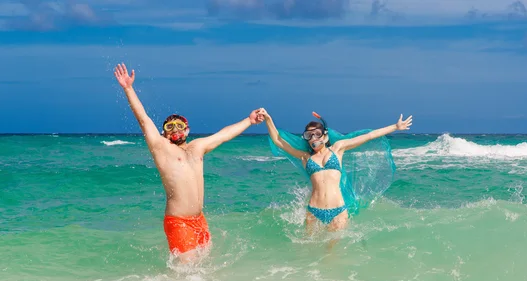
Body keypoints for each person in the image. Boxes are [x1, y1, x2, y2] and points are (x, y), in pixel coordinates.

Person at [113, 63, 264, 262]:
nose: (175, 129)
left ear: (187, 130)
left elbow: (223, 135)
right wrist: (129, 89)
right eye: (170, 126)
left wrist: (249, 121)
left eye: (179, 126)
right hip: (178, 221)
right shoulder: (162, 148)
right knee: (187, 272)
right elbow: (144, 119)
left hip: (199, 220)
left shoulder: (197, 147)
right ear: (164, 133)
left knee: (204, 266)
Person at [260, 108, 412, 234]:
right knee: (307, 253)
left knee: (333, 255)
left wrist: (395, 127)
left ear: (325, 136)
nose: (313, 138)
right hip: (314, 211)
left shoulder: (338, 149)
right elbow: (278, 141)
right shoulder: (305, 157)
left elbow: (368, 136)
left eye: (317, 134)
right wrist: (268, 119)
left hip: (338, 210)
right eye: (309, 135)